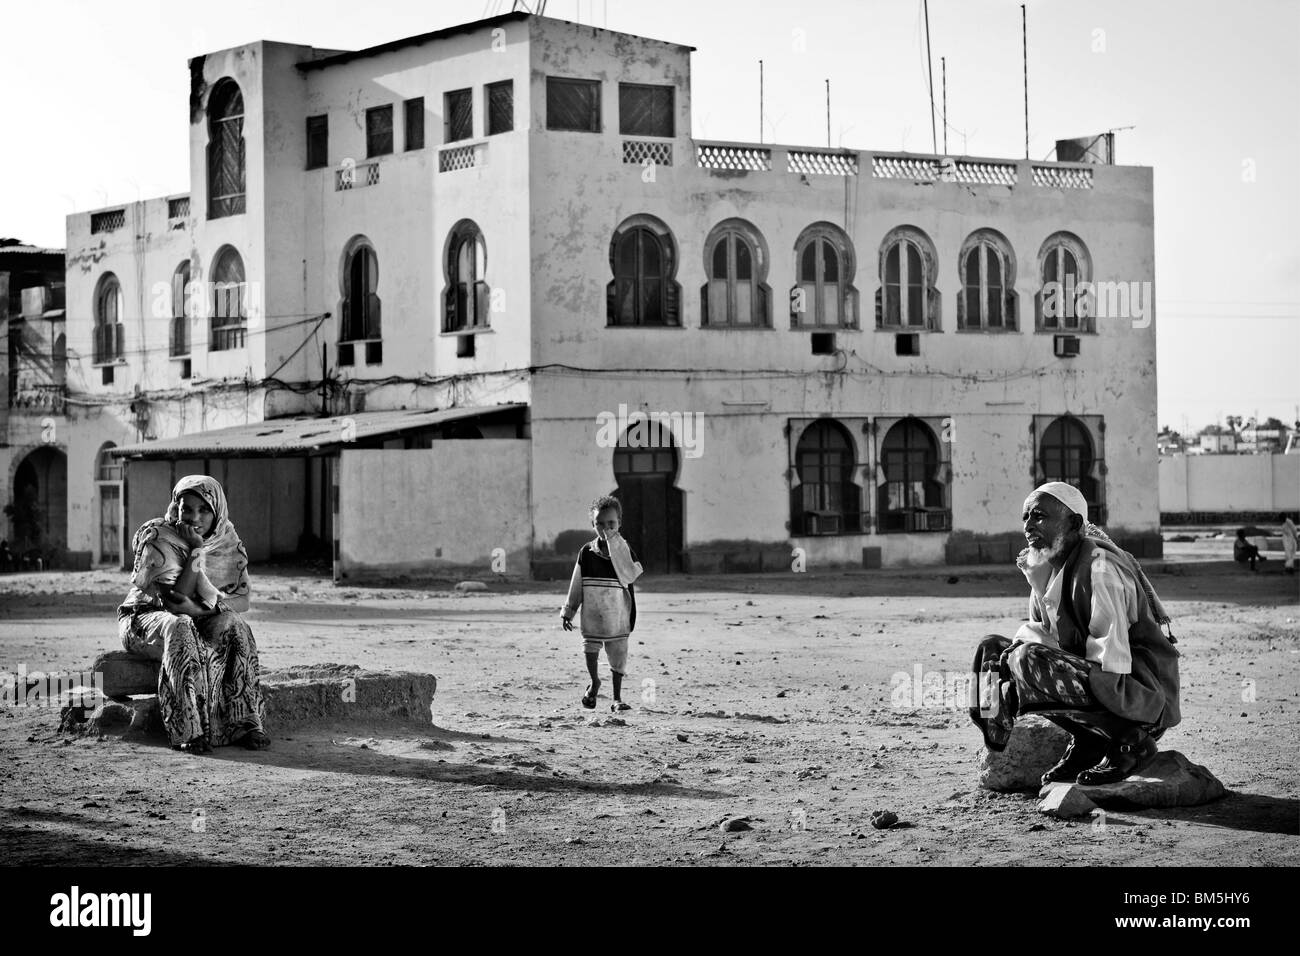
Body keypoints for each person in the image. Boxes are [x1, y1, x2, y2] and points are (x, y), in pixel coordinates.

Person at [969, 482, 1180, 786]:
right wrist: (1000, 680)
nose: (1028, 526)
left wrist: (1021, 679)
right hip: (1097, 678)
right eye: (1025, 516)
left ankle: (1129, 742)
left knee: (1027, 661)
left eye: (1039, 516)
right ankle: (1089, 742)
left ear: (1075, 524)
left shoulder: (1100, 569)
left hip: (1139, 694)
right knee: (991, 649)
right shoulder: (1044, 569)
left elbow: (1112, 660)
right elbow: (1046, 637)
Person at [118, 475, 269, 753]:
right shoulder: (159, 537)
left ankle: (245, 723)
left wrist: (204, 608)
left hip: (198, 616)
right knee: (181, 625)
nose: (194, 517)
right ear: (176, 507)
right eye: (187, 508)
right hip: (146, 619)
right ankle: (187, 730)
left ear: (217, 510)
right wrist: (196, 551)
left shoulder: (228, 542)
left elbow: (242, 601)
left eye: (204, 510)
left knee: (235, 624)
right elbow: (175, 603)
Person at [559, 495, 643, 712]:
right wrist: (568, 610)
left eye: (611, 524)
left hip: (618, 614)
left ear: (619, 524)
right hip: (593, 613)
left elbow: (632, 574)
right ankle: (595, 681)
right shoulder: (586, 552)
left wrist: (617, 550)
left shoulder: (625, 549)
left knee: (618, 657)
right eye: (600, 524)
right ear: (593, 525)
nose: (606, 528)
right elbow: (576, 582)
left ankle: (617, 698)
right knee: (590, 651)